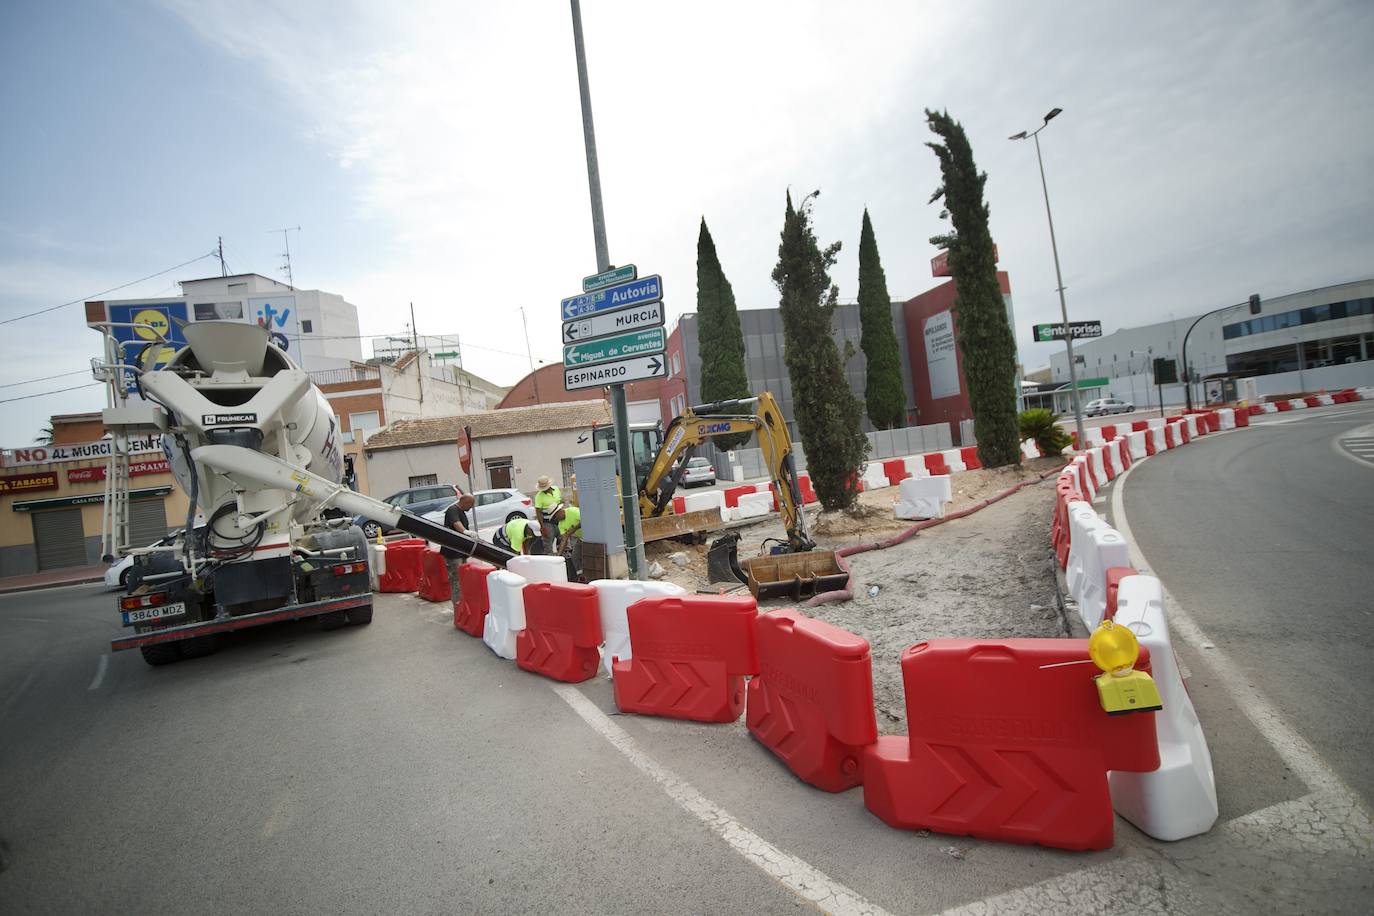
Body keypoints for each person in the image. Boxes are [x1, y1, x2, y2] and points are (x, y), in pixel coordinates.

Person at [440, 491, 475, 605]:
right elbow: (456, 523)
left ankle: (464, 604)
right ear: (464, 502)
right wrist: (466, 532)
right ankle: (458, 605)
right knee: (457, 579)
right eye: (470, 505)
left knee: (463, 578)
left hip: (460, 551)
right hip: (453, 552)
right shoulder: (453, 510)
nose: (471, 508)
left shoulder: (460, 511)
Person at [550, 503, 582, 579]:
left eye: (555, 516)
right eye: (554, 518)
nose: (556, 519)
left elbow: (585, 519)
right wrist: (559, 555)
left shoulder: (573, 511)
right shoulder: (560, 525)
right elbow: (564, 539)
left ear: (559, 511)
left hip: (590, 536)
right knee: (575, 557)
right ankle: (580, 576)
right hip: (581, 539)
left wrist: (574, 528)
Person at [533, 475, 562, 551]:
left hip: (559, 520)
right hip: (548, 522)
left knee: (562, 540)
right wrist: (542, 527)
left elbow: (560, 502)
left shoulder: (556, 489)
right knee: (548, 543)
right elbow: (538, 512)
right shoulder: (539, 496)